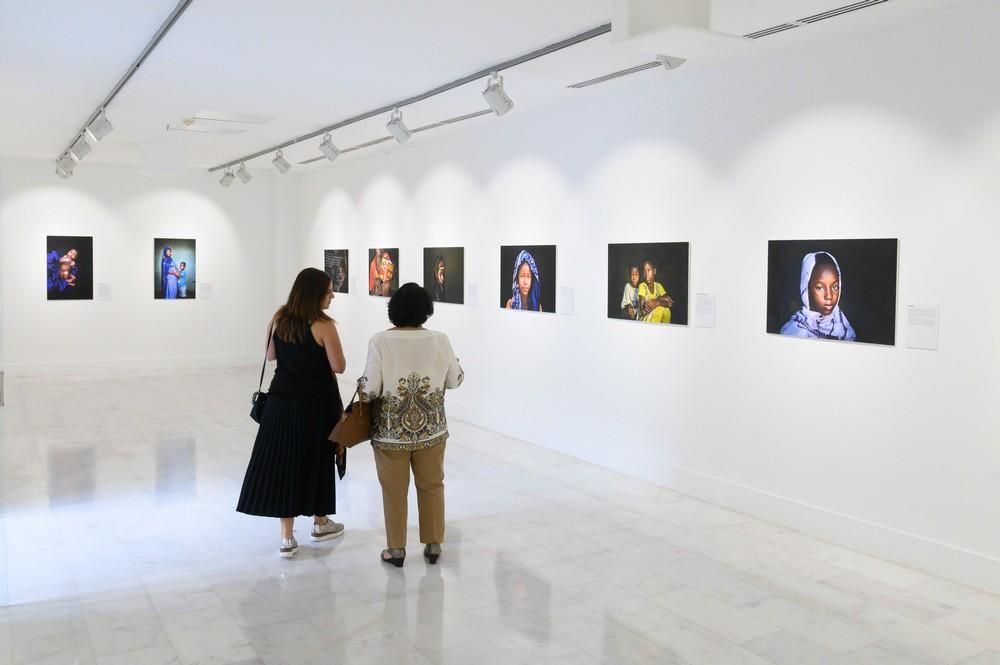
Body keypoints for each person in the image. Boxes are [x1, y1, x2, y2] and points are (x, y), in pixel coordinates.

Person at [237, 267, 348, 557]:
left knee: (284, 463)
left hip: (281, 402)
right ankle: (320, 522)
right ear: (315, 294)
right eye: (329, 291)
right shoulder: (324, 325)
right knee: (317, 459)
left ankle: (287, 537)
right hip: (316, 404)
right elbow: (338, 366)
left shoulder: (279, 318)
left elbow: (270, 355)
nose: (333, 295)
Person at [358, 283, 463, 567]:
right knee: (432, 485)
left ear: (393, 310)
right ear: (426, 310)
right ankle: (433, 544)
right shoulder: (440, 339)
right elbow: (456, 379)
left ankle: (396, 549)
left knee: (394, 490)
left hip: (391, 432)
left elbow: (369, 389)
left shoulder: (380, 341)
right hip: (432, 428)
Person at [780, 251, 856, 340]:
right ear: (806, 289)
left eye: (835, 287)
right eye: (820, 288)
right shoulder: (794, 331)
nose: (829, 296)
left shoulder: (842, 324)